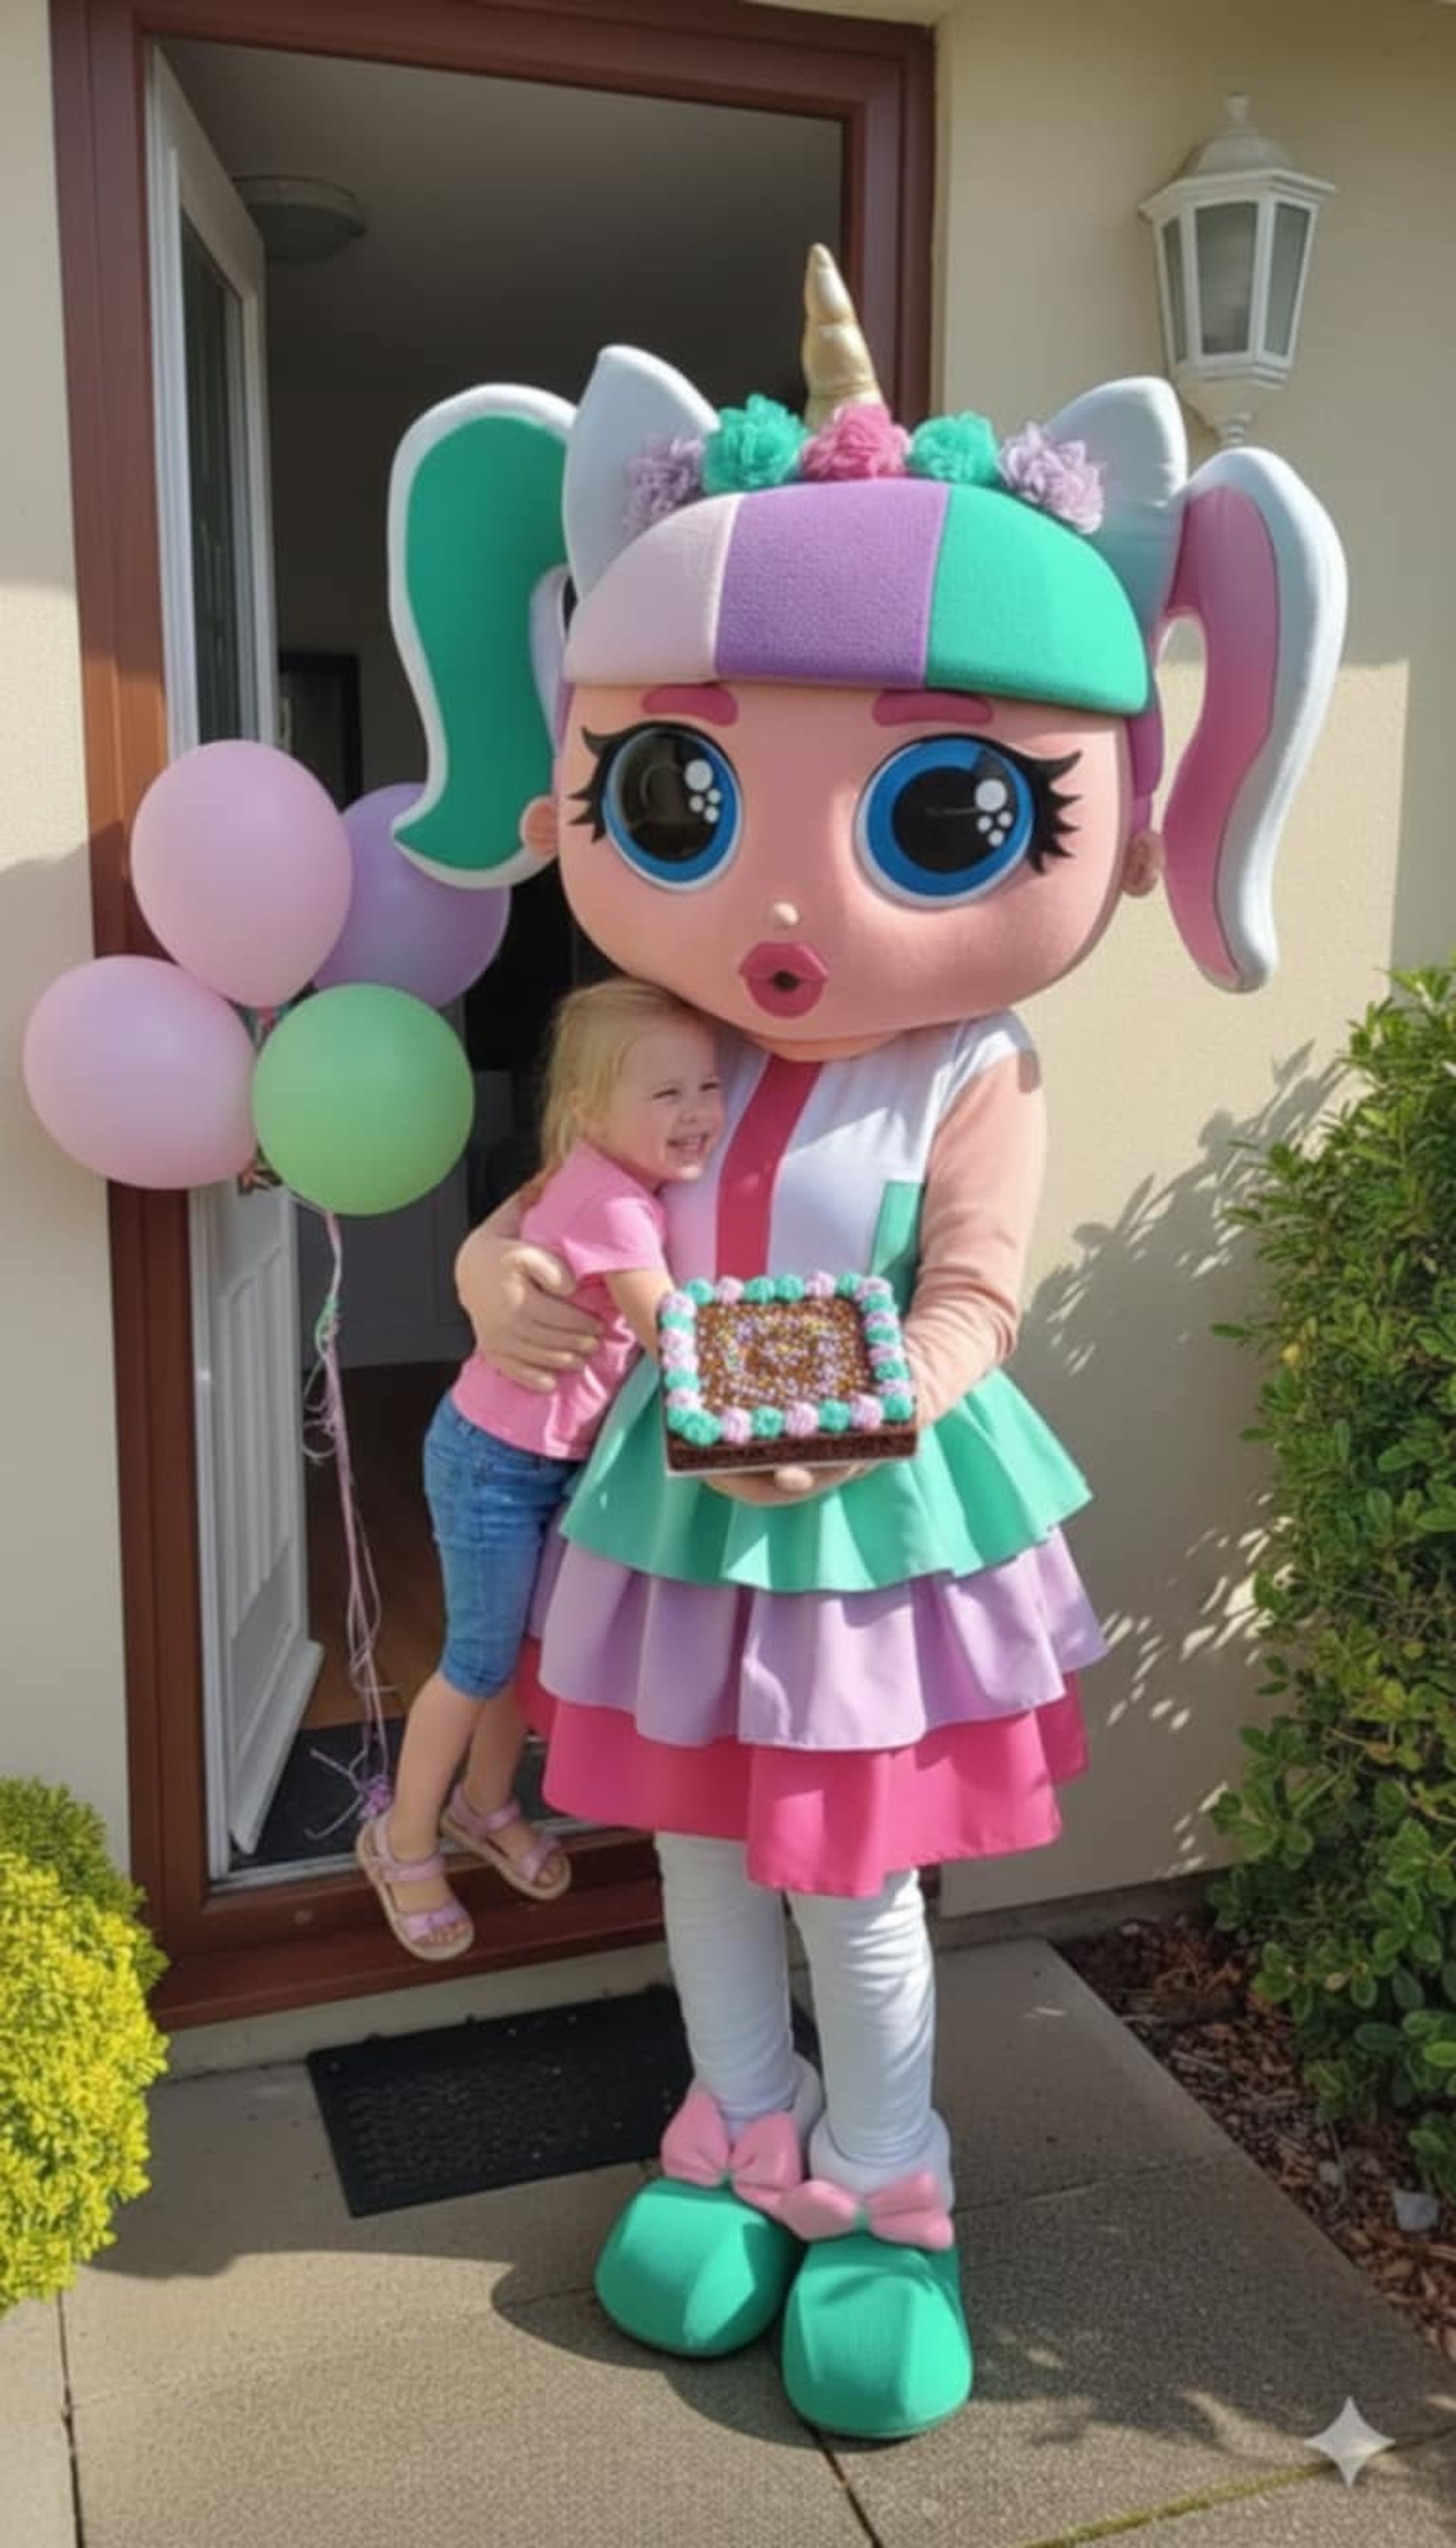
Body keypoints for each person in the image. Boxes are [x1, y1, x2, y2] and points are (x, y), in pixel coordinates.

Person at [383, 248, 1345, 2430]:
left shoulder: (965, 1066)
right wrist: (489, 1282)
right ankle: (732, 2135)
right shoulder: (653, 1031)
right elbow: (546, 1210)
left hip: (855, 1529)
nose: (791, 907)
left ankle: (884, 2180)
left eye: (936, 811)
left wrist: (867, 1405)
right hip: (669, 1508)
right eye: (689, 802)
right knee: (701, 1859)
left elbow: (976, 1301)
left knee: (855, 1883)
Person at [356, 976, 723, 1962]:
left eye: (709, 1086)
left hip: (550, 1465)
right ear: (591, 1111)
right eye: (667, 1094)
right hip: (493, 1462)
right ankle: (400, 1842)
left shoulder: (598, 1173)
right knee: (477, 1659)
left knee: (523, 1649)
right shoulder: (617, 1207)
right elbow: (667, 1331)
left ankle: (484, 1806)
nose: (698, 1113)